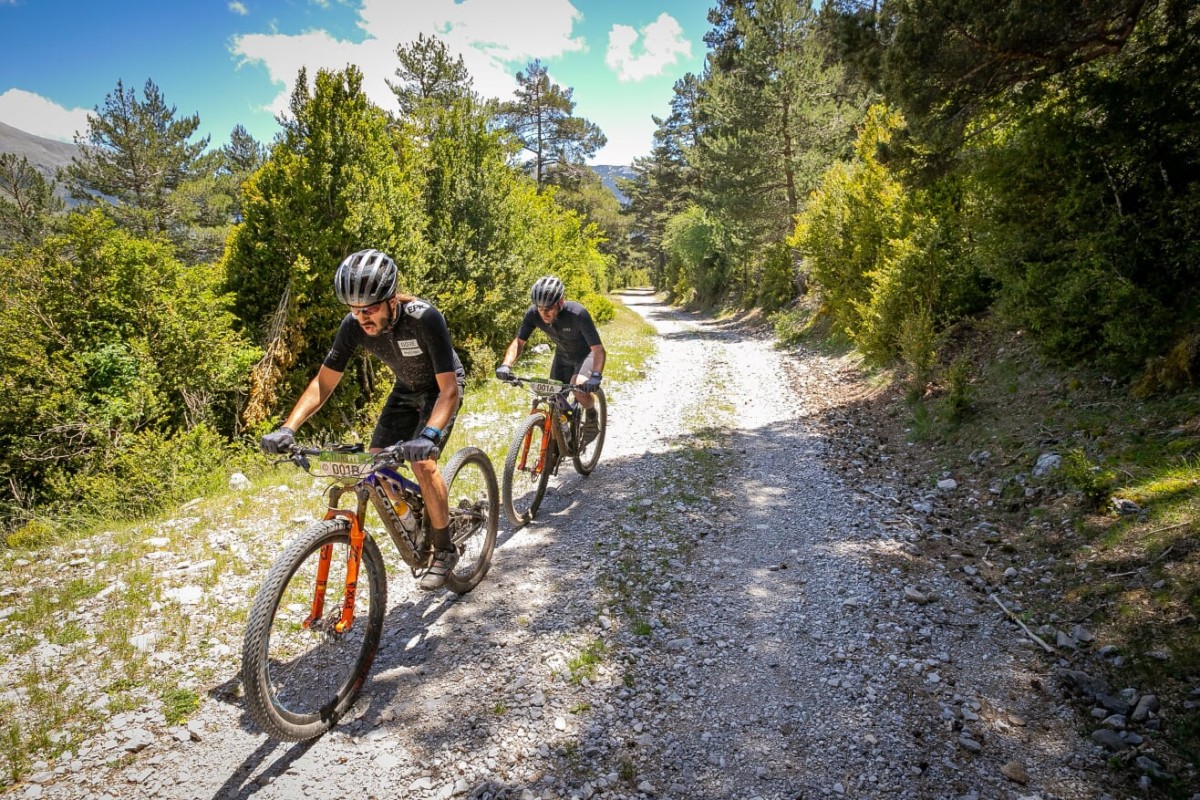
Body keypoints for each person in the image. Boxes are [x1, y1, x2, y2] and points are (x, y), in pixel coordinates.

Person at [260, 248, 466, 591]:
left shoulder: (424, 318)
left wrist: (428, 436)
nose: (361, 317)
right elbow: (323, 383)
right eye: (354, 310)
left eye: (369, 309)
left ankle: (444, 549)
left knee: (423, 465)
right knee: (374, 464)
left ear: (391, 301)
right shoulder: (353, 326)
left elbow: (449, 391)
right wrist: (287, 427)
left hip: (441, 388)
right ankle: (416, 520)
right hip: (405, 390)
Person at [495, 275, 605, 445]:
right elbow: (519, 342)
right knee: (553, 398)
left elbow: (598, 350)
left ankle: (591, 415)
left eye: (549, 307)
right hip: (562, 357)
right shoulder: (533, 314)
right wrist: (506, 365)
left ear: (560, 302)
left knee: (579, 385)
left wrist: (596, 375)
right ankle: (558, 444)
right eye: (540, 308)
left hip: (585, 355)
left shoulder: (577, 313)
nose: (544, 313)